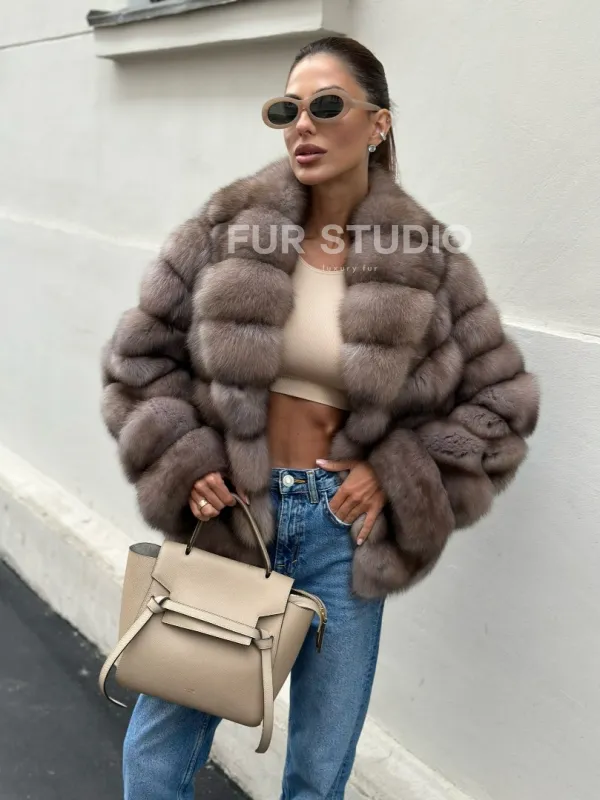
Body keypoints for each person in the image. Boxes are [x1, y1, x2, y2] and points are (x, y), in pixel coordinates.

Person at [100, 35, 540, 800]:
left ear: (377, 124)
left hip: (344, 536)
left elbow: (502, 403)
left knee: (319, 767)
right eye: (287, 110)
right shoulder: (230, 225)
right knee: (159, 750)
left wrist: (398, 472)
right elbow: (138, 359)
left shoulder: (425, 258)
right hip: (237, 514)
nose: (302, 125)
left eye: (326, 106)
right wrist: (187, 459)